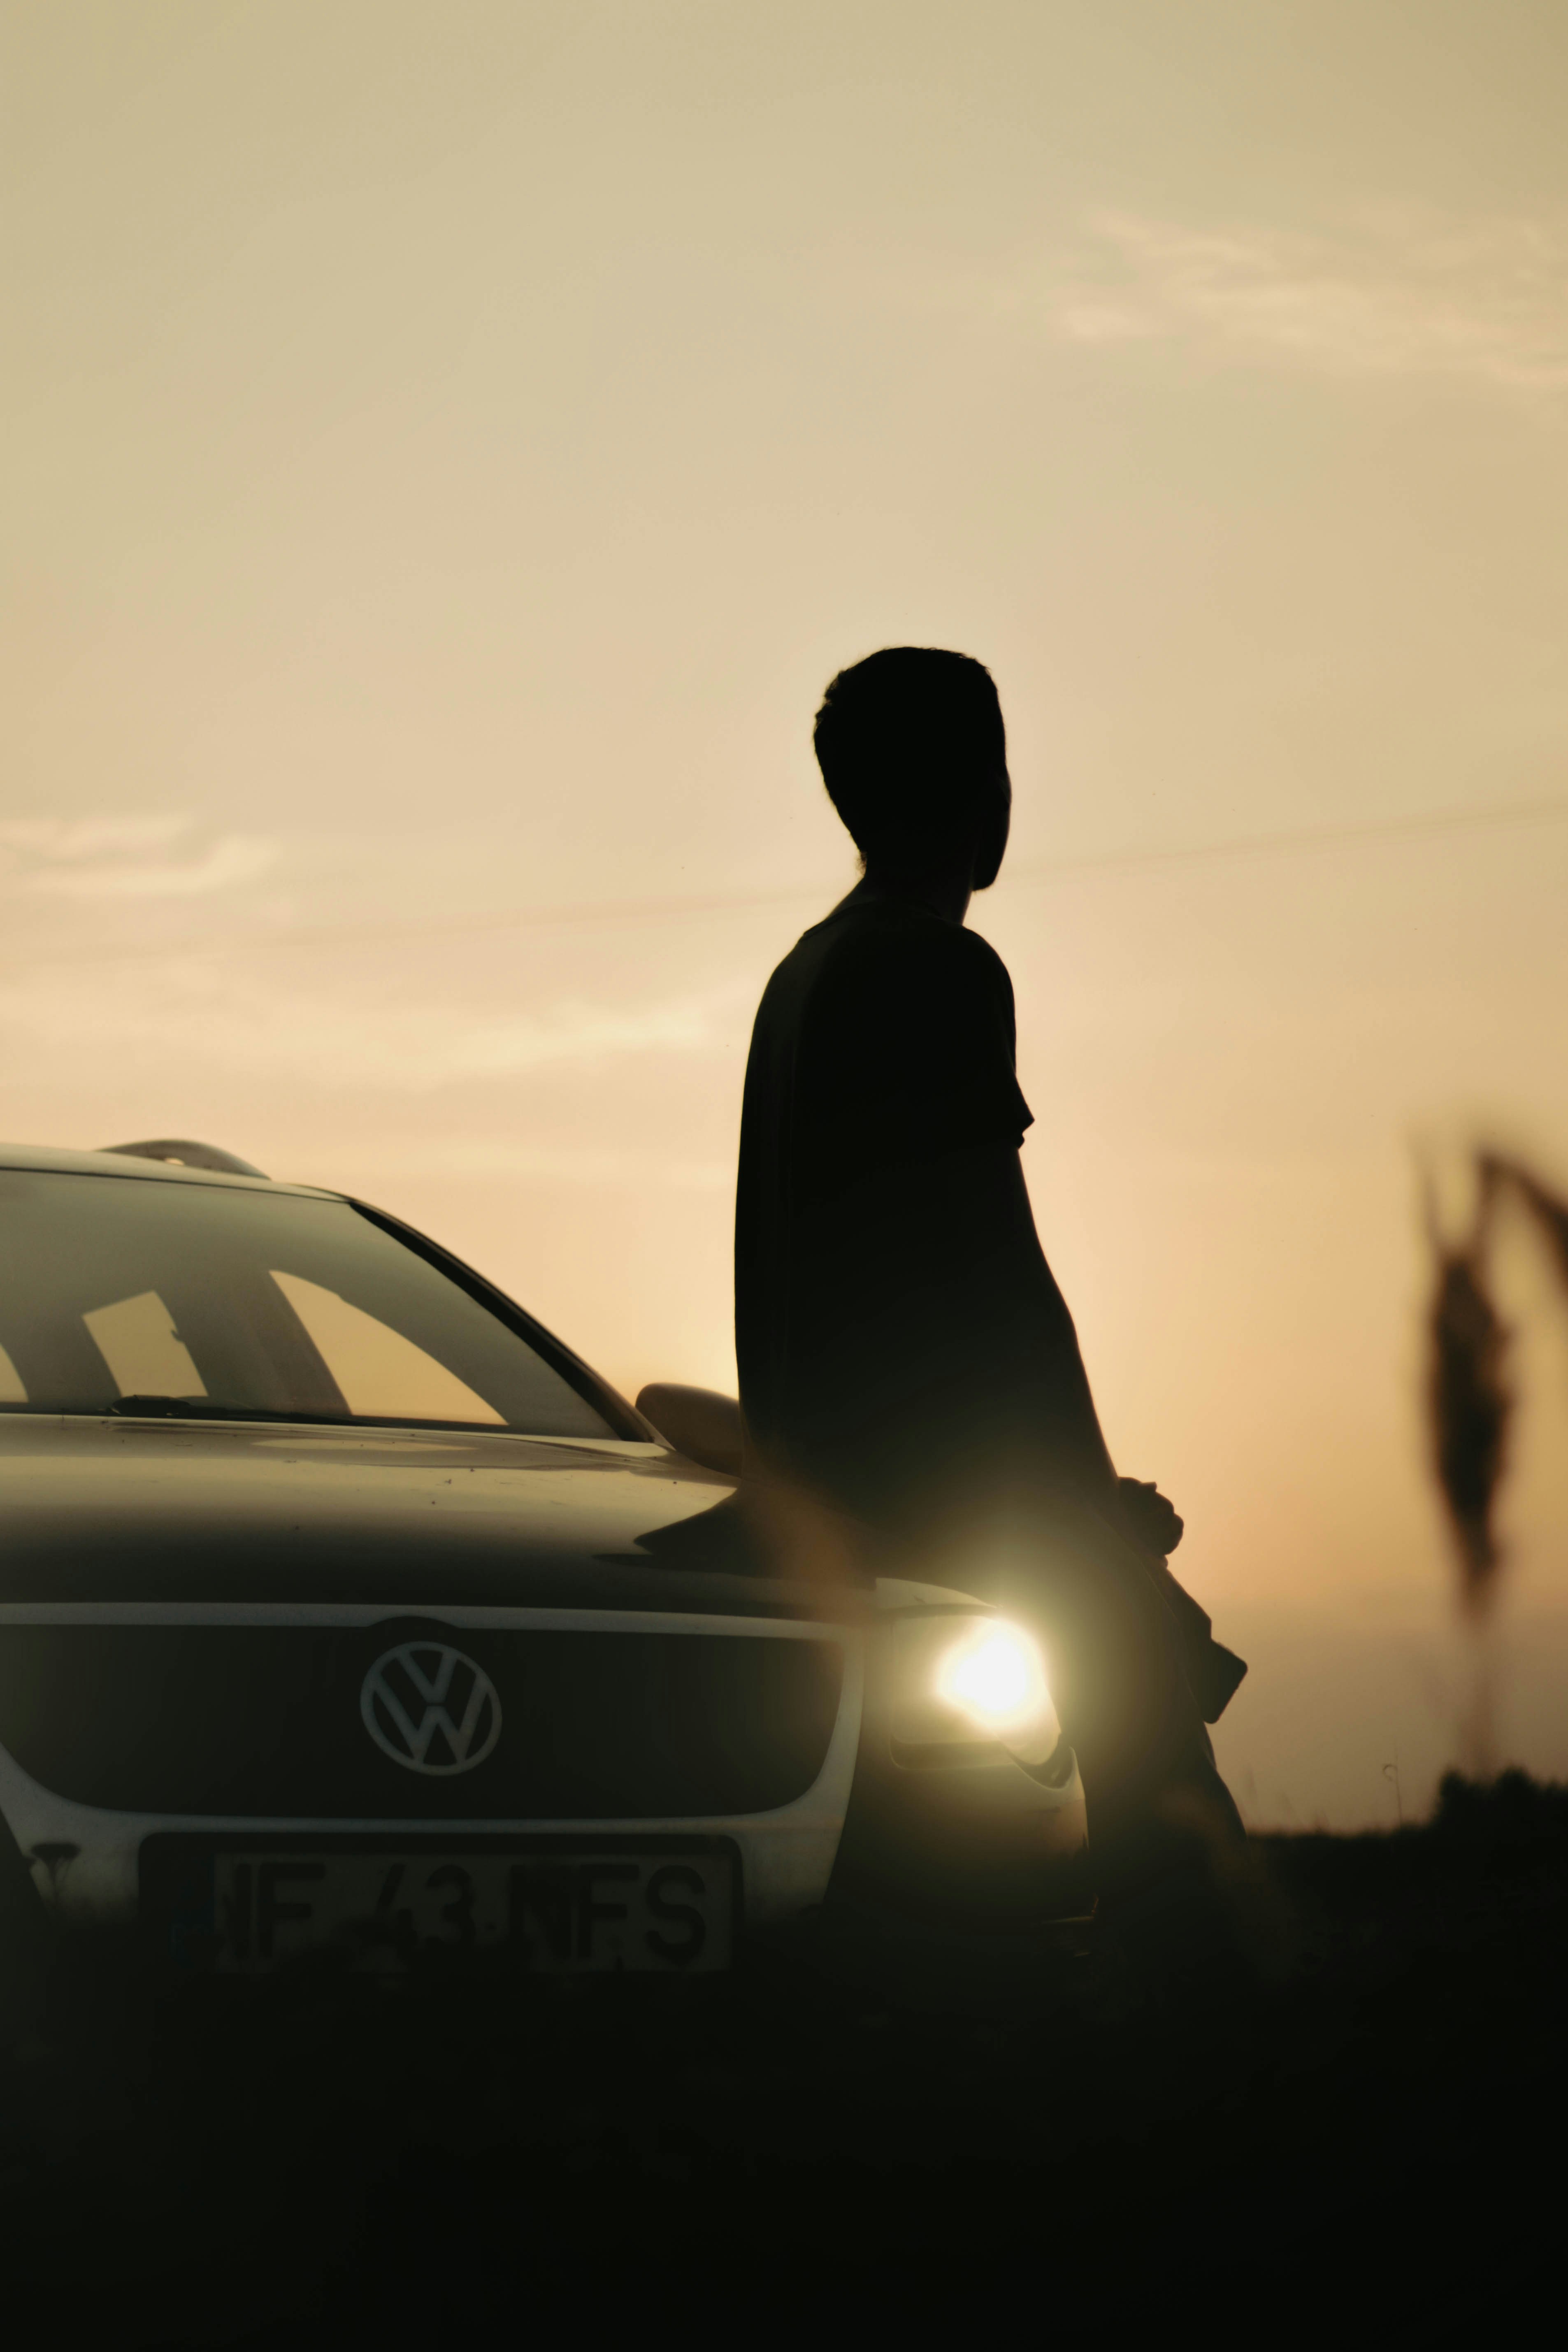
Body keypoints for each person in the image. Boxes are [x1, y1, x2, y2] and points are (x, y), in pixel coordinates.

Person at [734, 646, 1247, 1962]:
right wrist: (1095, 1494)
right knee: (1167, 1830)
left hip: (830, 1476)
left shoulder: (801, 976)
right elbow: (997, 1265)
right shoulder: (940, 974)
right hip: (957, 1488)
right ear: (979, 788)